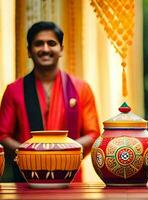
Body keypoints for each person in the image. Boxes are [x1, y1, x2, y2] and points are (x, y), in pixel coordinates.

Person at [0, 21, 100, 181]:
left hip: (70, 179)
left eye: (51, 43)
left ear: (61, 49)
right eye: (39, 44)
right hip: (26, 179)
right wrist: (31, 155)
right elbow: (3, 135)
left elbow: (93, 134)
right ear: (29, 51)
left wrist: (61, 152)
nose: (45, 49)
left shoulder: (81, 88)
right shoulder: (13, 90)